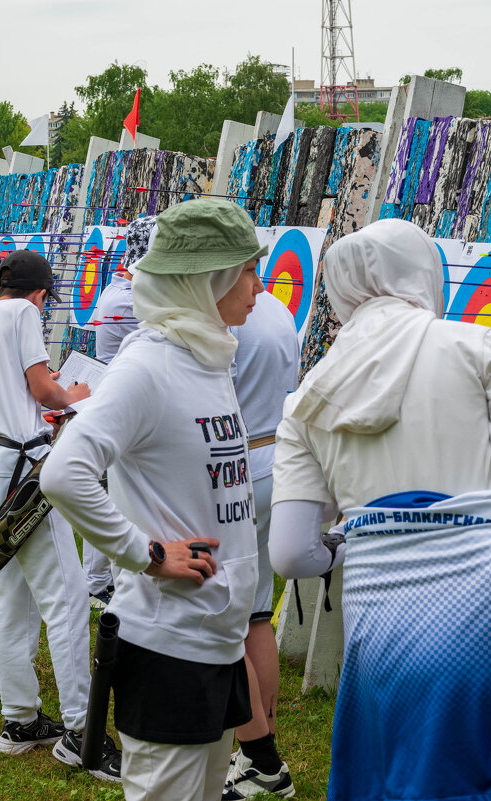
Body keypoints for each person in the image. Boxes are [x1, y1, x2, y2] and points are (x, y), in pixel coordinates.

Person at [269, 219, 491, 801]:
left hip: (382, 632)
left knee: (406, 778)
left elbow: (290, 554)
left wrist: (355, 538)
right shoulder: (475, 347)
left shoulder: (306, 400)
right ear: (424, 275)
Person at [41, 199, 265, 801]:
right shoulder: (150, 365)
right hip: (171, 638)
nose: (259, 284)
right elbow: (64, 473)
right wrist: (146, 553)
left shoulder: (208, 357)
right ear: (207, 279)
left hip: (218, 632)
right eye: (248, 269)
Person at [0, 250, 119, 779]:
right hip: (24, 465)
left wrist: (20, 418)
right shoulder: (21, 314)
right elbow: (44, 386)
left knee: (15, 591)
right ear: (40, 295)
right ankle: (80, 730)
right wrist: (76, 396)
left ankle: (21, 719)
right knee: (66, 597)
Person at [222, 289, 299, 800]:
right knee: (254, 615)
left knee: (228, 617)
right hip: (275, 457)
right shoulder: (276, 307)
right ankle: (260, 740)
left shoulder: (229, 313)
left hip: (239, 462)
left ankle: (260, 757)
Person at [79, 214, 156, 609]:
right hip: (121, 401)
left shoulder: (118, 287)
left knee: (112, 493)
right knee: (112, 497)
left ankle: (97, 579)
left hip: (119, 396)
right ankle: (95, 582)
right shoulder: (129, 298)